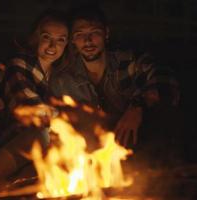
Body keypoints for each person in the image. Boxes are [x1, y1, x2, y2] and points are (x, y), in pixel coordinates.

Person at [0, 9, 70, 199]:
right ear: (35, 37)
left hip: (31, 151)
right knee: (42, 135)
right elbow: (33, 110)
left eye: (61, 39)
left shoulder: (56, 77)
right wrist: (72, 119)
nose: (53, 45)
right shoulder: (19, 64)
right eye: (47, 37)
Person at [51, 5, 181, 164]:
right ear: (72, 40)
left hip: (138, 147)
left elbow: (166, 78)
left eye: (95, 33)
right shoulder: (64, 81)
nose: (88, 41)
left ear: (106, 33)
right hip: (93, 157)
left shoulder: (127, 62)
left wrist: (137, 106)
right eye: (80, 34)